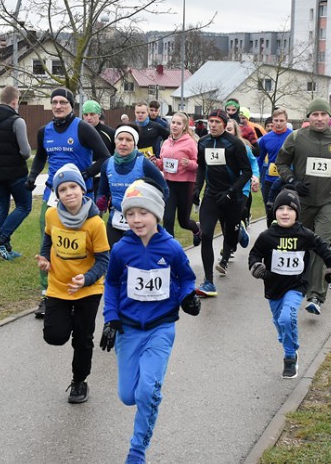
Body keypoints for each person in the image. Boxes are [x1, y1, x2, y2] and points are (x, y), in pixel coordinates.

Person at [100, 179, 200, 464]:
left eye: (142, 212)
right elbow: (112, 285)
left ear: (156, 213)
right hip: (128, 330)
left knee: (145, 393)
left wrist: (188, 297)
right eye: (130, 214)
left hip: (160, 327)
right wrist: (111, 319)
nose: (136, 219)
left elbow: (186, 279)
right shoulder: (120, 250)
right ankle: (150, 393)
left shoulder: (170, 248)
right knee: (128, 396)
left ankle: (137, 450)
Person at [26, 88, 111, 318]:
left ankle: (85, 285)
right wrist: (33, 175)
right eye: (54, 102)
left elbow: (104, 157)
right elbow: (42, 156)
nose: (58, 105)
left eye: (63, 102)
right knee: (49, 241)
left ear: (72, 105)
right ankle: (48, 293)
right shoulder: (45, 131)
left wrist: (84, 175)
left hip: (81, 194)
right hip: (53, 194)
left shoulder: (83, 128)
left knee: (82, 244)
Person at [35, 163, 110, 404]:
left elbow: (103, 260)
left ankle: (79, 381)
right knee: (55, 336)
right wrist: (45, 258)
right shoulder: (51, 214)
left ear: (82, 189)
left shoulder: (95, 223)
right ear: (57, 194)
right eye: (63, 189)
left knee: (82, 338)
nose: (69, 193)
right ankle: (61, 325)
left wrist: (86, 278)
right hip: (59, 285)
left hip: (88, 288)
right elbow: (48, 238)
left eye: (73, 187)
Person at [275, 98, 331, 314]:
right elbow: (281, 162)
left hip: (329, 201)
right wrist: (292, 181)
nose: (319, 119)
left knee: (321, 243)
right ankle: (293, 286)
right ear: (308, 117)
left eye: (323, 115)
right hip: (303, 202)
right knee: (300, 245)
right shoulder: (296, 138)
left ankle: (316, 296)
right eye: (315, 115)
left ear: (329, 117)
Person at [248, 189, 331, 379]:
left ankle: (290, 356)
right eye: (280, 208)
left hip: (296, 286)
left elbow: (323, 248)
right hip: (273, 287)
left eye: (290, 209)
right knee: (280, 323)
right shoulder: (267, 236)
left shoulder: (304, 235)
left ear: (297, 212)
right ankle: (288, 343)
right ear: (275, 213)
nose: (284, 212)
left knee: (286, 319)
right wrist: (256, 265)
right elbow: (254, 253)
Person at [193, 108, 252, 297]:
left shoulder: (234, 143)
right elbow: (201, 167)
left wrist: (231, 192)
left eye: (217, 122)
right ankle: (208, 281)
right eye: (210, 121)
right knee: (206, 235)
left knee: (229, 235)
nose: (213, 125)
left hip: (232, 198)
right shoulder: (203, 142)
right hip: (211, 196)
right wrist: (197, 189)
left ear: (225, 124)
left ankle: (228, 251)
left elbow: (247, 172)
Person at [0, 85, 32, 261]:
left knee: (2, 206)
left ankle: (5, 248)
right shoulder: (17, 121)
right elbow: (25, 152)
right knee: (24, 206)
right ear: (14, 101)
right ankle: (0, 241)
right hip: (16, 172)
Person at [98, 125, 168, 246]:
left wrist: (150, 212)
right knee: (115, 260)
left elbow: (164, 190)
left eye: (128, 140)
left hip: (140, 223)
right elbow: (102, 191)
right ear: (115, 141)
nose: (123, 143)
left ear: (135, 143)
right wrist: (100, 200)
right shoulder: (107, 164)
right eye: (120, 139)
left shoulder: (144, 164)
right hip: (115, 223)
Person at [154, 112, 201, 245]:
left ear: (184, 127)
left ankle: (197, 229)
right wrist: (156, 162)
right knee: (167, 219)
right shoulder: (166, 143)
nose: (174, 126)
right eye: (173, 123)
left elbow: (199, 166)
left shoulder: (190, 143)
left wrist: (189, 164)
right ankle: (170, 249)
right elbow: (163, 164)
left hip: (186, 185)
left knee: (183, 222)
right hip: (169, 184)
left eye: (178, 124)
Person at [223, 119, 260, 258]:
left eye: (230, 129)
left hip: (242, 188)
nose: (228, 132)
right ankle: (238, 235)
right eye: (226, 129)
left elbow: (253, 163)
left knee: (234, 216)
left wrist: (255, 177)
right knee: (227, 219)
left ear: (236, 131)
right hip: (225, 187)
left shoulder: (243, 146)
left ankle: (228, 250)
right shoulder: (217, 146)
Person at [257, 108, 294, 225]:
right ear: (272, 121)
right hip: (269, 179)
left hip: (287, 180)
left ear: (286, 121)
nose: (278, 123)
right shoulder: (265, 138)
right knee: (270, 212)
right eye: (276, 120)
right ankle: (271, 239)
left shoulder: (293, 137)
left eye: (281, 120)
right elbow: (260, 158)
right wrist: (256, 176)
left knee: (286, 212)